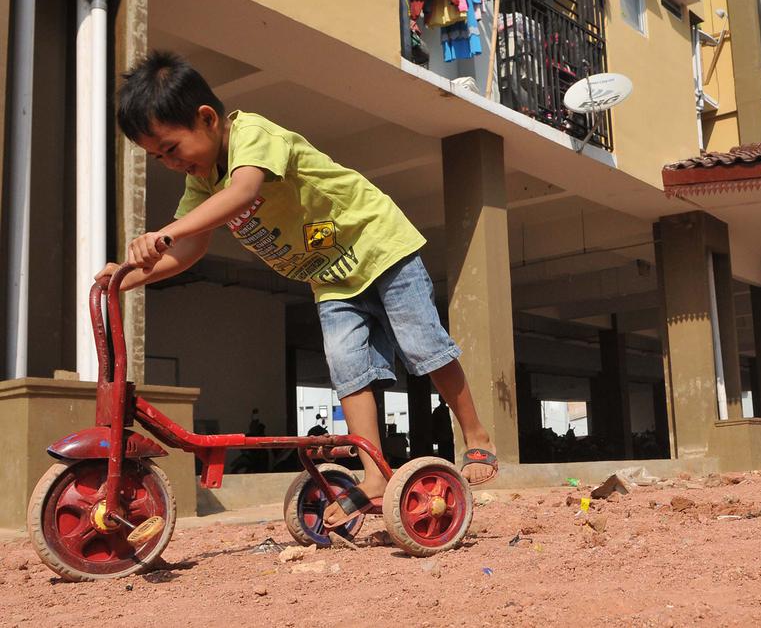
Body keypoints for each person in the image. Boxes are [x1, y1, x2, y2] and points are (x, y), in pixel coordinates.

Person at [96, 51, 499, 528]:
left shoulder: (253, 135)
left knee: (423, 345)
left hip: (378, 245)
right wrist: (123, 277)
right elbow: (188, 252)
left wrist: (166, 232)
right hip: (329, 277)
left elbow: (242, 193)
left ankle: (476, 433)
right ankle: (373, 474)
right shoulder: (201, 183)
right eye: (157, 157)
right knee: (349, 371)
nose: (169, 163)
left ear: (206, 119)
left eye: (170, 148)